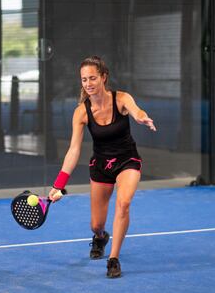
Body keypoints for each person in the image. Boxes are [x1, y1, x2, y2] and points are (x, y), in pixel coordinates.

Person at [48, 55, 156, 278]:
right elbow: (74, 150)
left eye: (92, 78)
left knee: (123, 203)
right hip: (100, 167)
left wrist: (142, 117)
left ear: (103, 77)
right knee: (96, 224)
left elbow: (137, 111)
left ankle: (114, 259)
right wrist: (59, 185)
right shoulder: (81, 112)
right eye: (84, 79)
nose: (88, 83)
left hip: (127, 161)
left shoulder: (121, 99)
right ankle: (100, 237)